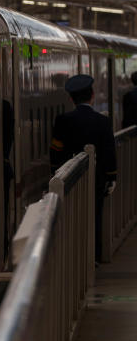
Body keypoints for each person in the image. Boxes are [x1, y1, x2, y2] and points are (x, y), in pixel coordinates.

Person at [50, 74, 117, 260]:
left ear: (71, 98)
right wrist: (111, 176)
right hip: (97, 179)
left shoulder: (62, 120)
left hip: (69, 180)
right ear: (93, 95)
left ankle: (76, 256)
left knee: (72, 218)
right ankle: (94, 256)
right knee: (95, 215)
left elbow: (56, 151)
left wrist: (56, 174)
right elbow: (109, 151)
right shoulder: (103, 122)